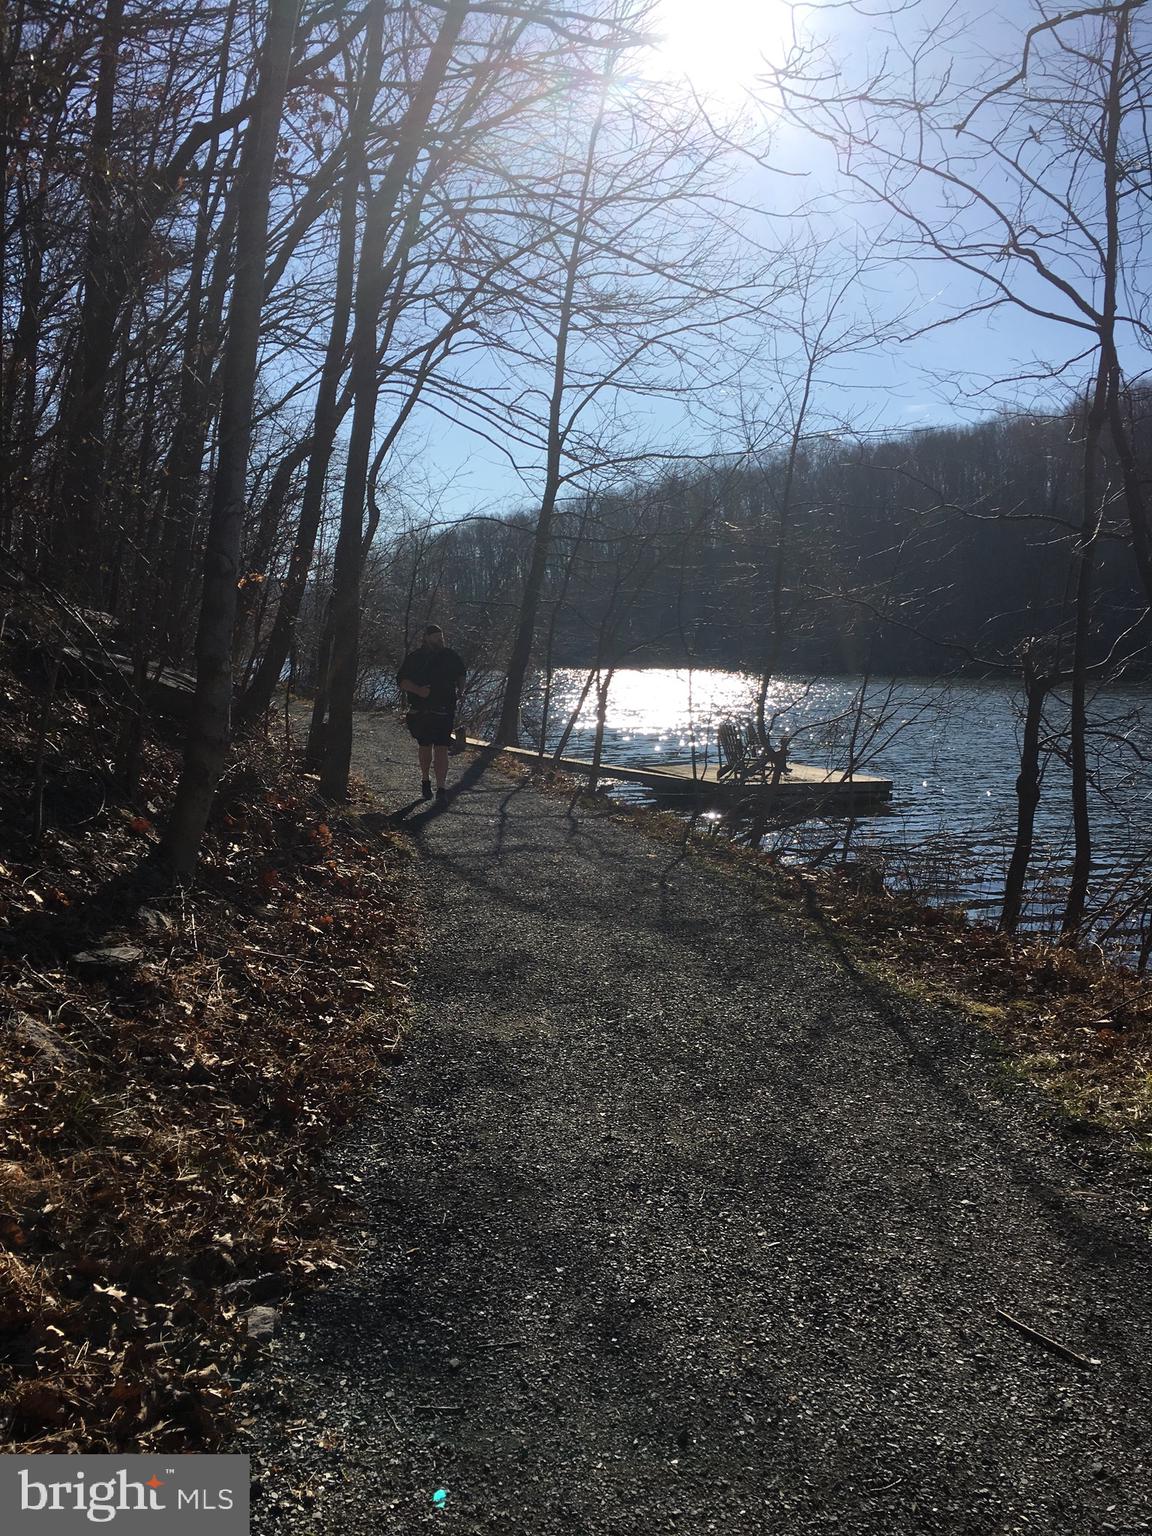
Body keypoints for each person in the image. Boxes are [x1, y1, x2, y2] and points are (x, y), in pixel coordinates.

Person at [396, 624, 466, 801]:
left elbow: (461, 673)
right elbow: (402, 681)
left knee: (442, 747)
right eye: (436, 637)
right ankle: (425, 780)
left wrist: (461, 689)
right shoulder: (416, 658)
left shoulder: (450, 656)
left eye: (441, 637)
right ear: (426, 637)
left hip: (445, 709)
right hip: (422, 710)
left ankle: (441, 787)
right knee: (425, 746)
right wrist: (419, 690)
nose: (439, 640)